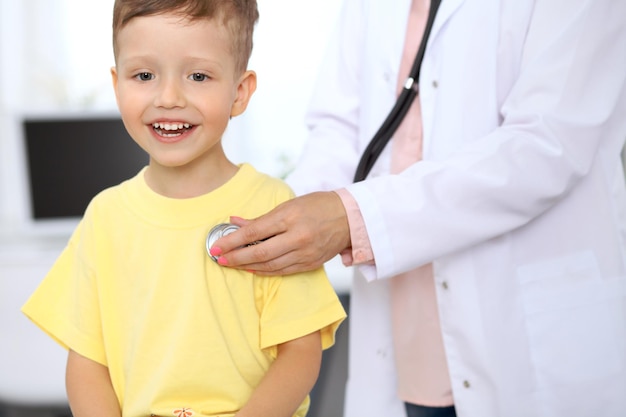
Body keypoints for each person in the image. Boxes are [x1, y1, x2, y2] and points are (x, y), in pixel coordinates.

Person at [208, 0, 626, 416]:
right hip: (403, 336)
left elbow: (545, 147)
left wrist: (353, 217)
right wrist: (278, 226)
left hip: (524, 335)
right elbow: (339, 129)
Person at [21, 1, 346, 417]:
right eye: (143, 75)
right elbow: (87, 361)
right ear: (117, 83)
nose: (168, 97)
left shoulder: (272, 207)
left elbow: (300, 351)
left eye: (197, 75)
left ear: (239, 92)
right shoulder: (105, 217)